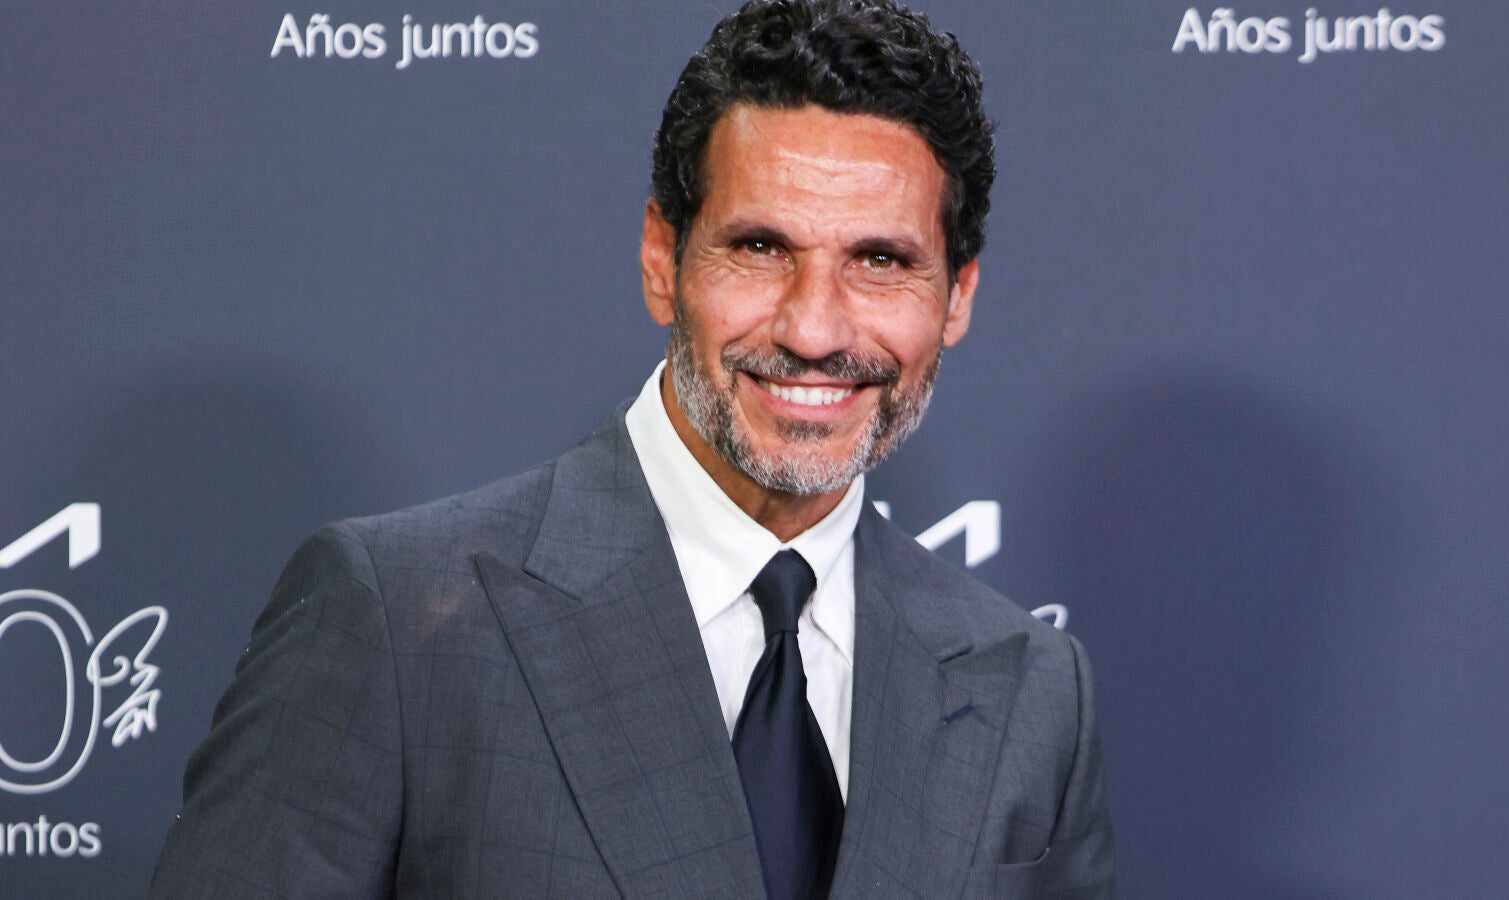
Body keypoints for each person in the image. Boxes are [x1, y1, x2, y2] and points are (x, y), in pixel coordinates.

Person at [149, 1, 1117, 897]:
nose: (815, 329)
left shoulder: (1033, 692)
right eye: (761, 248)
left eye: (880, 260)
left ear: (956, 297)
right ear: (663, 257)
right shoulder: (398, 623)